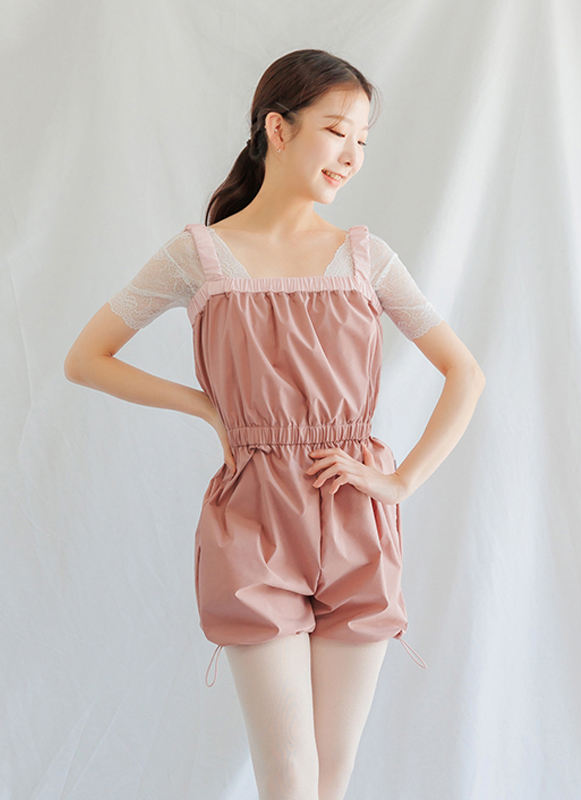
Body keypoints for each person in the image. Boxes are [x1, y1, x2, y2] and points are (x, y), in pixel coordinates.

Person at [64, 48, 485, 800]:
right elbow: (85, 358)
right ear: (277, 129)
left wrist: (398, 482)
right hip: (254, 518)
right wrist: (204, 406)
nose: (352, 155)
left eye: (362, 140)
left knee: (332, 774)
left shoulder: (364, 259)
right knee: (288, 775)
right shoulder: (200, 258)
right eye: (337, 131)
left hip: (355, 516)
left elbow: (466, 373)